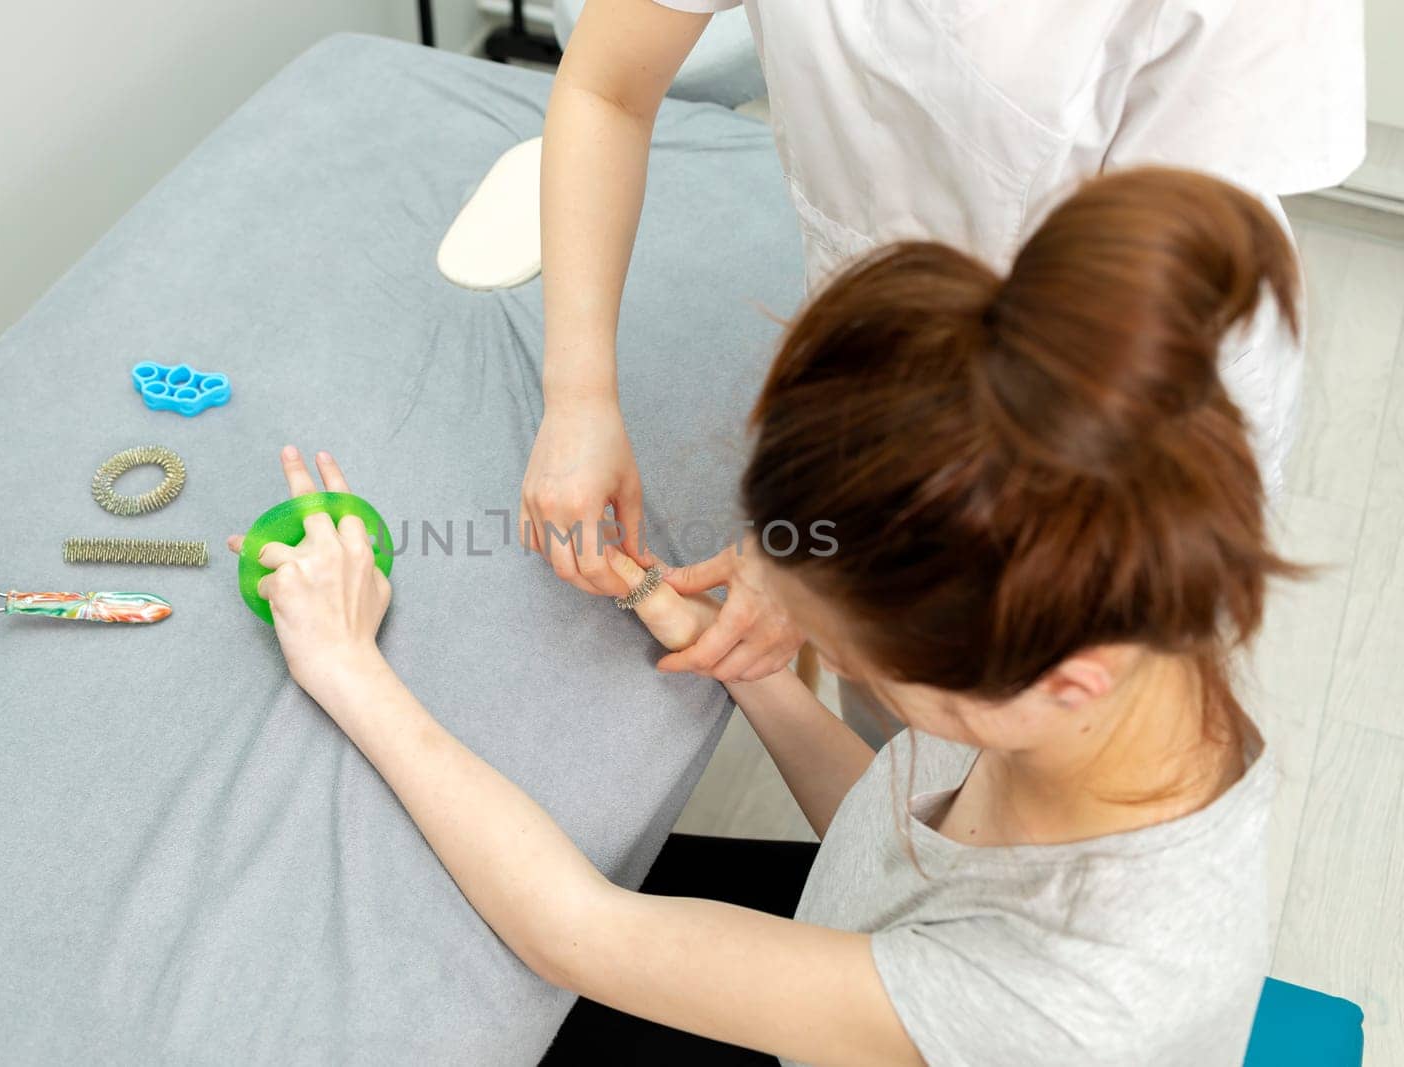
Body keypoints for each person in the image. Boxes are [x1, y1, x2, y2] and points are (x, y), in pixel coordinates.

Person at [229, 168, 1300, 1063]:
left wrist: (343, 663)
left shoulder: (1071, 996)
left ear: (1057, 680)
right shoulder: (1126, 630)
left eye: (848, 655)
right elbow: (895, 836)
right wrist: (726, 651)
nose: (824, 656)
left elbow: (575, 933)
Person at [522, 0, 1362, 685]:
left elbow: (1131, 330)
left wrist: (849, 539)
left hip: (1121, 418)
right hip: (886, 359)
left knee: (1047, 752)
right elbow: (608, 90)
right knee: (905, 751)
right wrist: (579, 400)